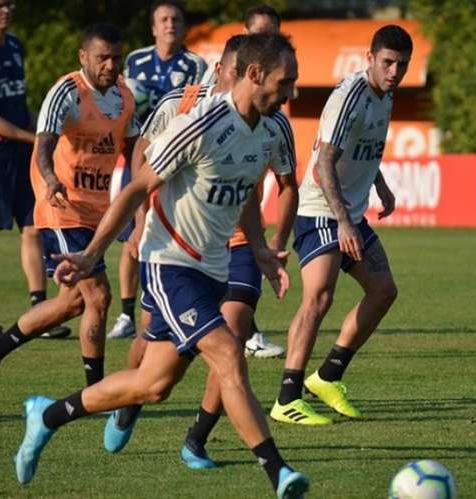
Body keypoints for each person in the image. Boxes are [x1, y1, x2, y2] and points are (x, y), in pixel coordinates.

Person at [12, 32, 310, 499]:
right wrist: (93, 254)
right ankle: (278, 472)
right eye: (285, 81)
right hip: (169, 263)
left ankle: (46, 416)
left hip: (212, 269)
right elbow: (136, 186)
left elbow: (247, 191)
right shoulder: (201, 124)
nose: (291, 92)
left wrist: (258, 249)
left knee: (152, 385)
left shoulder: (270, 130)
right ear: (254, 75)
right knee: (229, 353)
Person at [103, 33, 298, 469]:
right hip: (177, 247)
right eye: (229, 73)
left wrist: (270, 246)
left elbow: (281, 185)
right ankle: (129, 401)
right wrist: (139, 227)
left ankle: (197, 438)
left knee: (231, 337)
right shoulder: (186, 107)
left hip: (238, 243)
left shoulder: (272, 121)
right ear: (229, 71)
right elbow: (142, 165)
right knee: (154, 340)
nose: (286, 92)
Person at [0, 22, 138, 401]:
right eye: (102, 58)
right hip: (61, 206)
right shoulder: (67, 92)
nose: (110, 65)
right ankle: (95, 395)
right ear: (83, 57)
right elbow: (44, 143)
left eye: (116, 57)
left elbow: (134, 149)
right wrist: (49, 178)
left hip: (98, 211)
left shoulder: (125, 95)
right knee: (98, 297)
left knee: (72, 303)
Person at [269, 25, 409, 426]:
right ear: (370, 58)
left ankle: (327, 376)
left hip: (350, 211)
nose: (394, 71)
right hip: (320, 210)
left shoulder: (386, 96)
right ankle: (287, 398)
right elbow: (324, 161)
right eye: (387, 62)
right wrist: (345, 223)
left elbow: (366, 147)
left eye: (401, 65)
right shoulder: (351, 96)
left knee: (383, 291)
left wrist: (380, 185)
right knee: (318, 298)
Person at [0, 0, 70, 342]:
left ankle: (39, 312)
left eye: (9, 4)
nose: (5, 10)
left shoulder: (16, 46)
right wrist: (34, 139)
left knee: (33, 228)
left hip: (21, 151)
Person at [107, 0, 207, 340]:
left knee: (170, 232)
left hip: (177, 161)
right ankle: (125, 314)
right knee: (131, 238)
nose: (170, 25)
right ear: (153, 27)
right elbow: (125, 101)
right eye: (163, 19)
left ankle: (166, 308)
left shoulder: (196, 64)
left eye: (176, 19)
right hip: (141, 153)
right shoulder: (135, 60)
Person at [199, 3, 286, 358]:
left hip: (241, 217)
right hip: (197, 225)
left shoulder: (276, 89)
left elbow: (284, 181)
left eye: (273, 34)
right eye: (260, 33)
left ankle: (244, 332)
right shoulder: (207, 100)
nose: (268, 40)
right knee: (157, 369)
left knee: (228, 351)